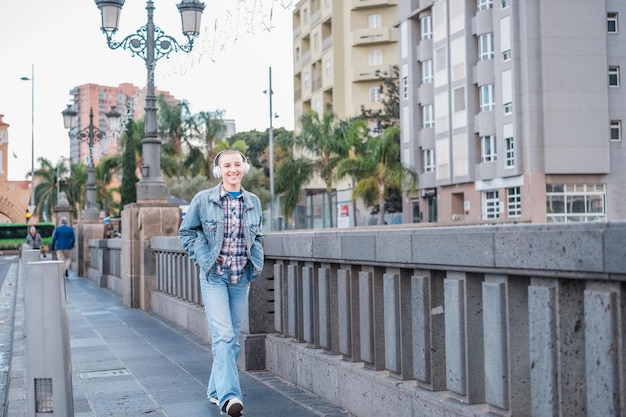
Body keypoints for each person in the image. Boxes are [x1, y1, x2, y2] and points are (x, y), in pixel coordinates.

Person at [178, 149, 264, 417]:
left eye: (237, 164)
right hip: (215, 276)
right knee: (224, 336)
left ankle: (215, 390)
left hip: (241, 277)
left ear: (244, 168)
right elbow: (187, 232)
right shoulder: (204, 200)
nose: (232, 170)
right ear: (219, 171)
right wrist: (205, 259)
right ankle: (230, 398)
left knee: (230, 339)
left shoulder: (253, 201)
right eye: (227, 165)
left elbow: (258, 235)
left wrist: (257, 260)